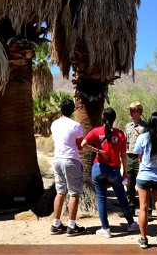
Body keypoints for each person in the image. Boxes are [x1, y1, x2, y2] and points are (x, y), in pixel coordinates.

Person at [81, 107, 139, 238]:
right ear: (114, 119)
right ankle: (131, 224)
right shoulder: (120, 134)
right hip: (114, 169)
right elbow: (124, 155)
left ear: (103, 118)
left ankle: (105, 229)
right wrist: (125, 172)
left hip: (98, 168)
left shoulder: (96, 131)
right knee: (122, 197)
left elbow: (83, 144)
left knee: (101, 198)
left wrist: (98, 151)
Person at [133, 112, 157, 248]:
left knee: (143, 208)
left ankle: (143, 239)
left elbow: (139, 158)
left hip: (144, 176)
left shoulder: (142, 137)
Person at [50, 99, 86, 236]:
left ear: (60, 109)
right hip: (71, 160)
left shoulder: (54, 124)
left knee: (60, 192)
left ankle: (56, 224)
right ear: (73, 110)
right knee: (74, 193)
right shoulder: (76, 125)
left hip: (57, 160)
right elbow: (80, 146)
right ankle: (71, 226)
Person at [124, 101, 147, 216]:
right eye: (130, 110)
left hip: (141, 157)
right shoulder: (128, 126)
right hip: (129, 157)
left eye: (133, 110)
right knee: (129, 184)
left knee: (144, 184)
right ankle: (130, 209)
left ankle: (147, 210)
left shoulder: (145, 126)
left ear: (139, 112)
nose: (131, 112)